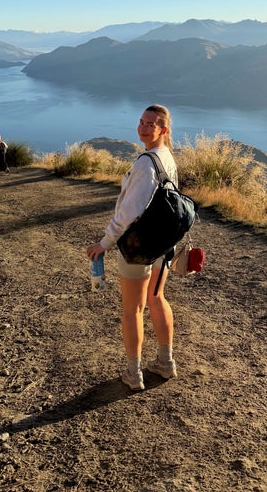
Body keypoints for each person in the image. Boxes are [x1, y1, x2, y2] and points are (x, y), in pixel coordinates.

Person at [87, 104, 179, 392]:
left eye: (151, 124)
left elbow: (129, 212)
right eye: (141, 121)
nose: (143, 127)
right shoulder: (167, 157)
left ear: (163, 129)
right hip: (164, 242)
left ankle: (133, 373)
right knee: (156, 298)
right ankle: (165, 362)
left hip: (139, 247)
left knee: (132, 309)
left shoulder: (145, 164)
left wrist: (104, 243)